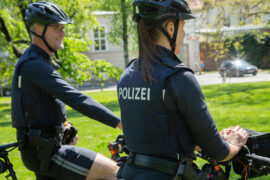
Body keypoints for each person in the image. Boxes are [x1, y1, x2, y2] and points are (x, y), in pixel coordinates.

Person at [117, 0, 249, 179]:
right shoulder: (178, 77)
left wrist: (202, 140)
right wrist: (236, 142)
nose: (184, 34)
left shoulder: (128, 75)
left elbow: (158, 134)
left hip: (129, 174)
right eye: (183, 26)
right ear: (170, 28)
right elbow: (219, 152)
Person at [11, 2, 121, 180]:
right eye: (57, 28)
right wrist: (121, 123)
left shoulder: (39, 60)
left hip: (45, 149)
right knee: (117, 172)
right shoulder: (33, 64)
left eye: (63, 28)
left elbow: (38, 104)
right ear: (39, 29)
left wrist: (63, 126)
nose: (63, 34)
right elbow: (75, 98)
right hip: (48, 154)